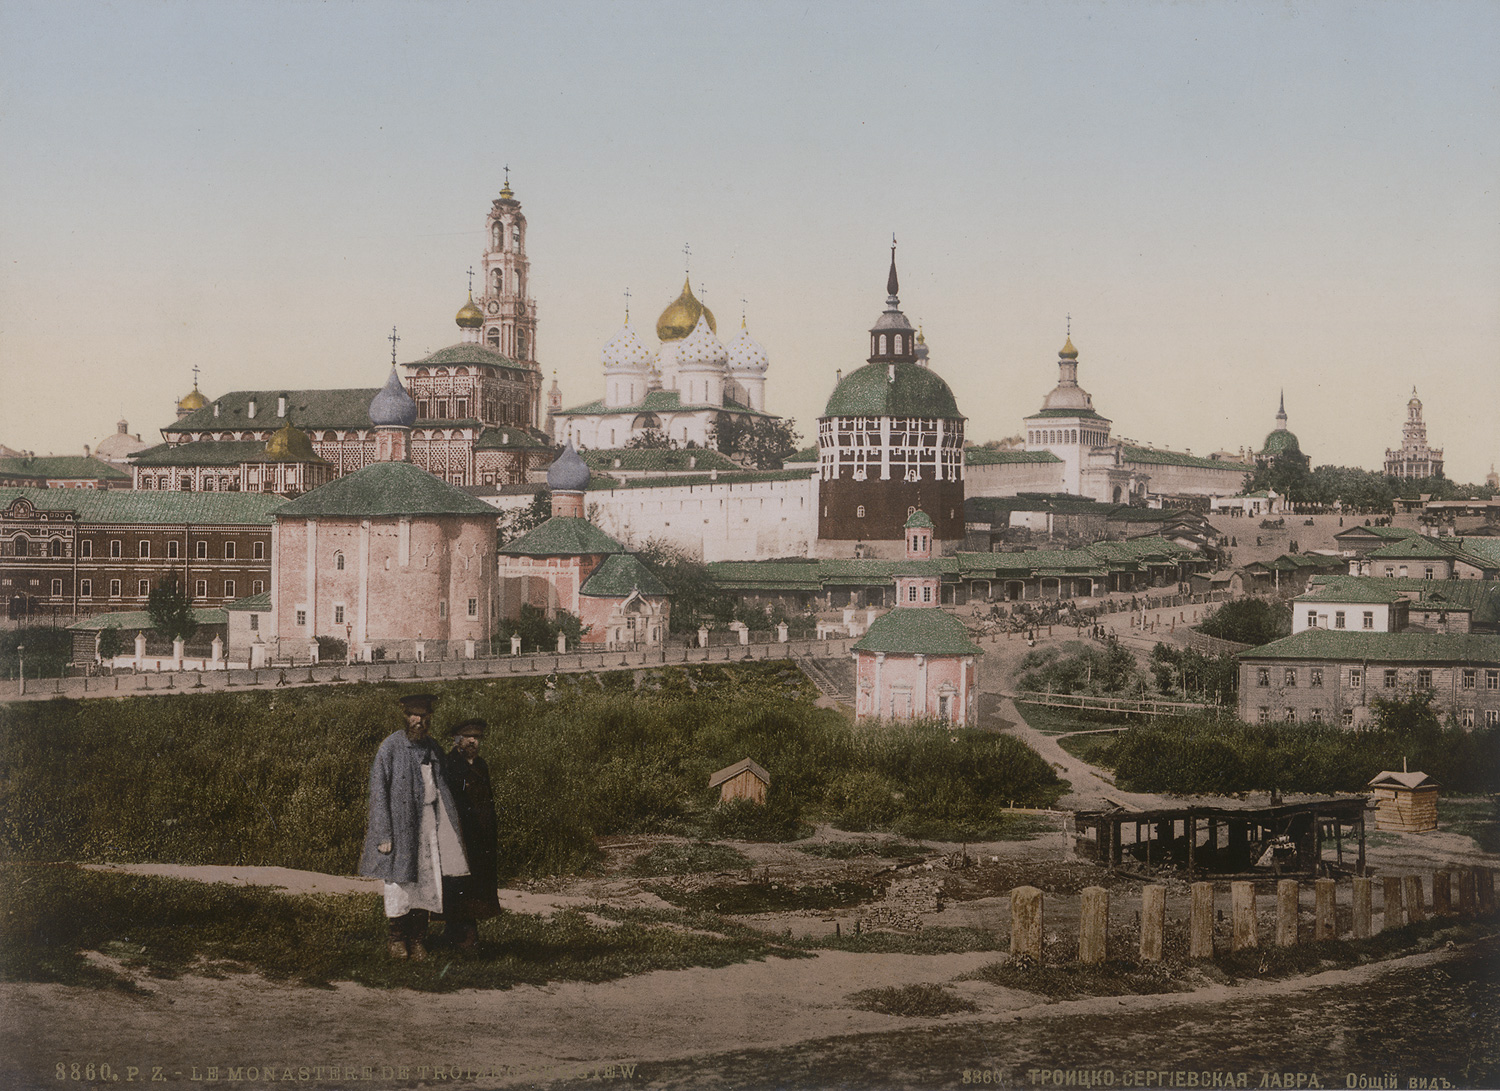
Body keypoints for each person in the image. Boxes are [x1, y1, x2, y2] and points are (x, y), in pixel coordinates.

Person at [359, 693, 470, 960]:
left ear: (429, 718)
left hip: (429, 824)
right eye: (413, 715)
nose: (418, 721)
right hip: (401, 827)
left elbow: (443, 785)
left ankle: (418, 940)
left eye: (423, 716)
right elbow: (378, 792)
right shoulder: (390, 747)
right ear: (405, 717)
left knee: (427, 882)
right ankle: (397, 939)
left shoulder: (432, 748)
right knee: (399, 883)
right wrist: (383, 833)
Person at [441, 718, 500, 949]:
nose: (473, 741)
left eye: (476, 737)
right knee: (457, 882)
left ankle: (464, 931)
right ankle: (460, 933)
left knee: (477, 883)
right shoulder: (449, 765)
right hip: (459, 833)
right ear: (457, 739)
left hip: (481, 835)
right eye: (468, 737)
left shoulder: (481, 765)